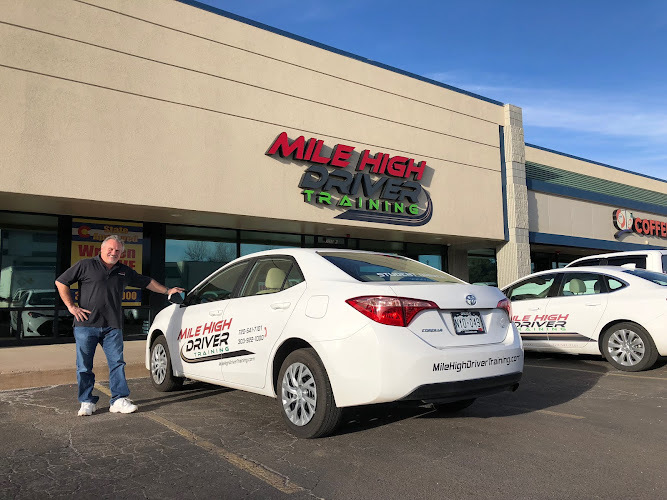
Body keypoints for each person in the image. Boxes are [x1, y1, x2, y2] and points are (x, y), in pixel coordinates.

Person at [56, 235, 184, 417]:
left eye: (117, 251)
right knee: (84, 366)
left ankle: (118, 400)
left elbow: (147, 282)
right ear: (101, 249)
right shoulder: (85, 265)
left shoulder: (123, 271)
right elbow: (61, 282)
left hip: (112, 326)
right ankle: (86, 401)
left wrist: (168, 291)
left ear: (121, 253)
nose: (113, 253)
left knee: (117, 363)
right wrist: (71, 307)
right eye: (110, 249)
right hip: (86, 325)